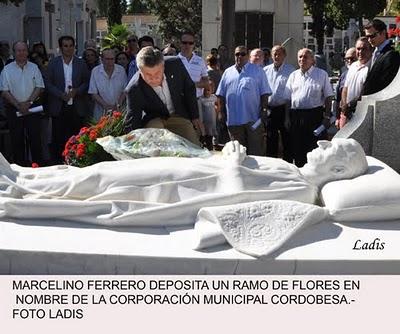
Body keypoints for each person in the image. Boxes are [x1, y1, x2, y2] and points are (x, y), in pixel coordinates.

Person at [0, 138, 368, 226]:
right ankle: (21, 174)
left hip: (190, 184)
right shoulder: (291, 169)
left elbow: (236, 197)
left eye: (331, 148)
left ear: (336, 172)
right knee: (97, 174)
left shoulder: (301, 190)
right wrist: (232, 149)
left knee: (100, 179)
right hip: (197, 168)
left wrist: (233, 161)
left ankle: (22, 186)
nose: (321, 143)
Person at [124, 46, 203, 146]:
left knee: (194, 145)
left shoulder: (175, 64)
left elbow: (189, 88)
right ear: (140, 71)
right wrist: (132, 143)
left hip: (178, 115)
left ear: (163, 66)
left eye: (157, 73)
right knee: (159, 142)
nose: (153, 78)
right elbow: (133, 118)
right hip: (154, 118)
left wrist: (195, 117)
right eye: (148, 74)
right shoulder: (134, 88)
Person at [216, 45, 271, 156]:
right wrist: (221, 112)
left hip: (253, 119)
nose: (239, 56)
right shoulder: (227, 72)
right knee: (237, 154)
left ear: (247, 55)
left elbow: (265, 93)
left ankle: (255, 174)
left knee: (256, 152)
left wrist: (264, 109)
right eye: (237, 54)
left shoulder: (258, 71)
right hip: (234, 120)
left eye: (242, 54)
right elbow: (220, 94)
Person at [285, 48, 334, 167]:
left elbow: (328, 97)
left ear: (313, 60)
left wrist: (327, 116)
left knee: (313, 148)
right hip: (296, 116)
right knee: (297, 147)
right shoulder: (293, 75)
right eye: (300, 57)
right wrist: (286, 117)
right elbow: (288, 99)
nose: (302, 59)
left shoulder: (321, 74)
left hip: (314, 116)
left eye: (305, 57)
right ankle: (300, 173)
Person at [45, 35, 90, 164]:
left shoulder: (81, 63)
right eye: (65, 46)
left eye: (71, 46)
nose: (68, 48)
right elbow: (47, 83)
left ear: (74, 47)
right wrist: (60, 94)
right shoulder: (53, 63)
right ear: (60, 48)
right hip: (59, 105)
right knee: (58, 137)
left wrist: (77, 91)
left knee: (76, 137)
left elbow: (87, 82)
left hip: (77, 106)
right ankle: (58, 163)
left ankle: (77, 161)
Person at [0, 41, 44, 166]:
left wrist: (28, 103)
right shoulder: (7, 70)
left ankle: (38, 167)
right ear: (14, 53)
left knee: (35, 139)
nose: (21, 53)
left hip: (32, 108)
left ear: (27, 51)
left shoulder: (34, 67)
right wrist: (19, 105)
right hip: (14, 109)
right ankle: (20, 168)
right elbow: (4, 91)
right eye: (18, 50)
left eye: (24, 50)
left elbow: (39, 87)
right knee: (17, 140)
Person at [263, 45, 295, 162]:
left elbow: (290, 94)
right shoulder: (265, 71)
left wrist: (287, 116)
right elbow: (263, 92)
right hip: (270, 109)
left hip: (284, 109)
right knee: (271, 138)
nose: (276, 56)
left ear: (284, 55)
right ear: (271, 55)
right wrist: (264, 109)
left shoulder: (290, 70)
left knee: (287, 139)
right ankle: (271, 165)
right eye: (274, 54)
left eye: (279, 54)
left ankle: (287, 165)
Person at [337, 38, 373, 129]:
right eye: (358, 49)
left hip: (361, 113)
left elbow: (365, 90)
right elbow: (345, 88)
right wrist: (344, 106)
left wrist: (352, 106)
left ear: (371, 50)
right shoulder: (353, 66)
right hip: (346, 113)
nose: (360, 52)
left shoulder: (372, 66)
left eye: (364, 49)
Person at [363, 19, 400, 95]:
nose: (369, 40)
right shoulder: (375, 52)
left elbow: (385, 83)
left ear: (383, 33)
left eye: (372, 36)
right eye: (367, 37)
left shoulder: (391, 55)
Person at [88, 49, 127, 121]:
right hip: (101, 111)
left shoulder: (121, 70)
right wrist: (105, 105)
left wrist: (118, 104)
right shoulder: (95, 71)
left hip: (118, 111)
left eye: (112, 59)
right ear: (102, 59)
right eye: (107, 59)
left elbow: (125, 90)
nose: (110, 62)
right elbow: (93, 92)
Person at [178, 32, 209, 98]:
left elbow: (206, 82)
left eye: (190, 43)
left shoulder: (200, 61)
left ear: (194, 44)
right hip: (179, 101)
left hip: (196, 100)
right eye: (184, 43)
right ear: (180, 44)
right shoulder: (175, 60)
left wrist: (192, 85)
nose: (187, 45)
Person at [335, 47, 356, 125]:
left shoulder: (364, 73)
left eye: (353, 59)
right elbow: (338, 98)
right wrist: (337, 118)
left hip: (357, 115)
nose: (349, 61)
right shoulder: (343, 75)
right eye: (347, 59)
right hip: (344, 116)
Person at [198, 81, 217, 150]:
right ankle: (201, 147)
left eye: (208, 90)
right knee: (203, 135)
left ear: (212, 90)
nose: (206, 92)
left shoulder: (214, 97)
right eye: (205, 90)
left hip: (211, 120)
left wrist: (218, 111)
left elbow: (218, 102)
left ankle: (210, 148)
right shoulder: (201, 99)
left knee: (210, 135)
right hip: (203, 121)